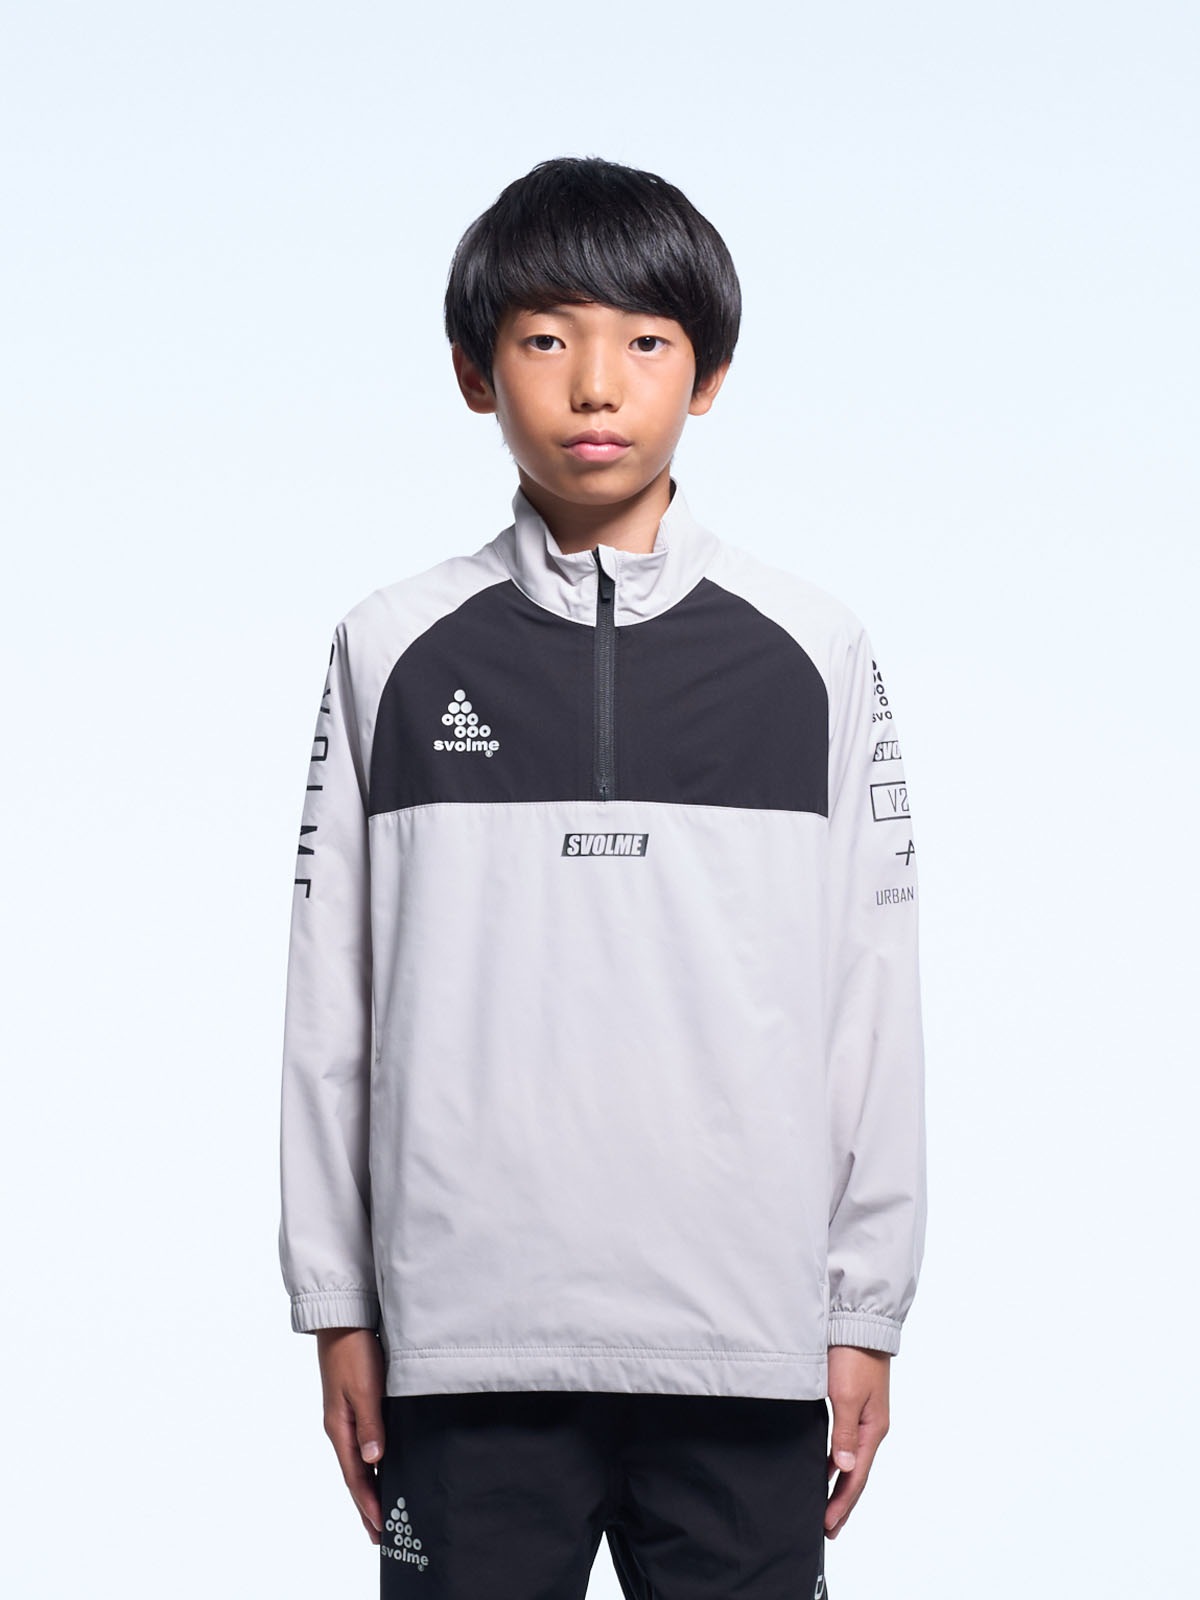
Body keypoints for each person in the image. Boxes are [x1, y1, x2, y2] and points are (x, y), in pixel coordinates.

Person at [277, 154, 927, 1600]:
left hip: (740, 1340)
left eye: (644, 342)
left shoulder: (810, 651)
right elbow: (332, 1000)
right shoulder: (392, 648)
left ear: (708, 377)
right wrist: (337, 1304)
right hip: (466, 1338)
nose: (593, 386)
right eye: (544, 338)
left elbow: (871, 995)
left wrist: (865, 1307)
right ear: (474, 373)